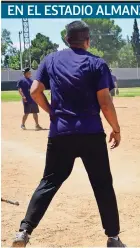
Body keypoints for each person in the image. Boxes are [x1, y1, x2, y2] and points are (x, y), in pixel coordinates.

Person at [11, 21, 126, 248]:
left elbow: (35, 91)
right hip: (91, 133)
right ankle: (113, 238)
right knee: (102, 184)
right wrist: (116, 128)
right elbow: (105, 101)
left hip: (61, 133)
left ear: (66, 40)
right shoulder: (97, 63)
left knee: (49, 181)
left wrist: (52, 111)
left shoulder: (51, 59)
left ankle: (24, 231)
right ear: (88, 40)